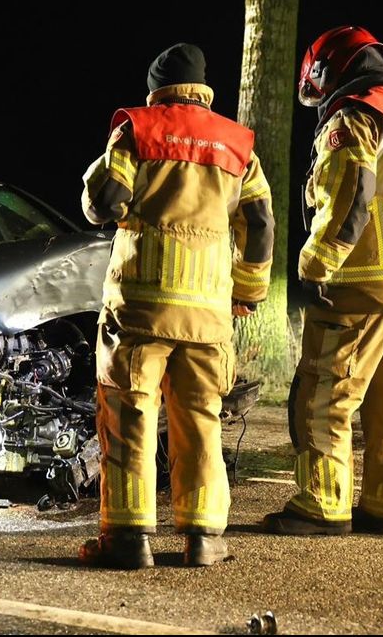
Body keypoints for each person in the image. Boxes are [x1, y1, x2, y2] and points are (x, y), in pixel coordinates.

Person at [78, 43, 274, 568]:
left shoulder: (137, 130)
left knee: (129, 418)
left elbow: (103, 203)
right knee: (201, 422)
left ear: (156, 88)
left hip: (141, 310)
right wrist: (247, 292)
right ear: (203, 87)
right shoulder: (237, 145)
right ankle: (204, 538)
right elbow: (259, 225)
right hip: (208, 314)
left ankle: (127, 541)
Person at [263, 26, 383, 537]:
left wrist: (316, 264)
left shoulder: (354, 116)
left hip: (363, 283)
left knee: (324, 396)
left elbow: (351, 193)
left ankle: (322, 506)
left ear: (326, 72)